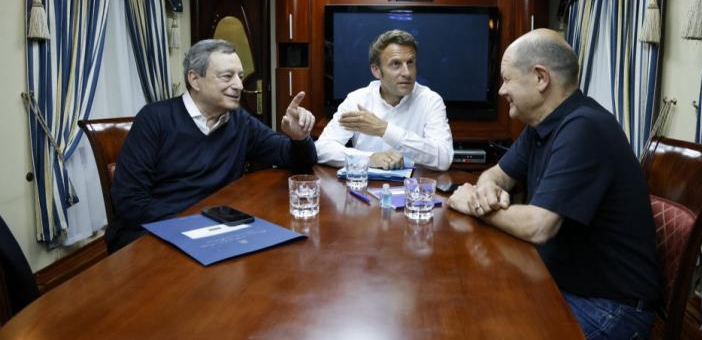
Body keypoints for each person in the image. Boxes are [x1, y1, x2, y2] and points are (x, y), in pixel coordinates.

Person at [448, 29, 661, 340]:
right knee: (468, 305)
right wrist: (485, 190)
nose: (501, 91)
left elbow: (539, 226)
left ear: (540, 78)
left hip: (611, 309)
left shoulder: (584, 127)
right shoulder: (543, 124)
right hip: (564, 283)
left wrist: (474, 206)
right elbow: (497, 174)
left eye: (507, 79)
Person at [106, 39, 317, 252]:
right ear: (195, 79)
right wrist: (195, 225)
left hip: (217, 230)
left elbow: (296, 160)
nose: (239, 85)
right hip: (156, 231)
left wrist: (299, 138)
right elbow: (129, 199)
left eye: (241, 77)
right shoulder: (154, 118)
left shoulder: (240, 121)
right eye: (227, 76)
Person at [315, 29, 453, 171]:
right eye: (396, 64)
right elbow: (322, 148)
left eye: (410, 63)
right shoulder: (357, 100)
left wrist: (384, 129)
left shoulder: (430, 101)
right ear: (376, 70)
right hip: (365, 189)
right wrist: (369, 158)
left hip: (414, 189)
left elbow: (444, 158)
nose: (407, 73)